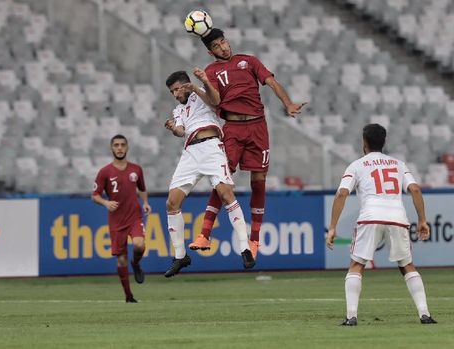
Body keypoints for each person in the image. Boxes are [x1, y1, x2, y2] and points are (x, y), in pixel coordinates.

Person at [188, 28, 306, 260]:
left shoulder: (248, 61)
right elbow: (215, 102)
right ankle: (204, 234)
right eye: (217, 46)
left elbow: (272, 82)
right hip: (232, 129)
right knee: (222, 180)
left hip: (257, 128)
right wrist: (199, 85)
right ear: (211, 53)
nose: (223, 47)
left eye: (224, 42)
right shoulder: (211, 71)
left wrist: (288, 103)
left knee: (259, 181)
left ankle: (254, 240)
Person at [326, 124, 437, 326]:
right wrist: (422, 220)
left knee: (357, 265)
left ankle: (351, 316)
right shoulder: (398, 164)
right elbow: (415, 190)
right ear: (384, 142)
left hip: (370, 217)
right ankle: (424, 314)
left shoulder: (357, 165)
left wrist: (332, 226)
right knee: (406, 266)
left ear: (364, 144)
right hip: (397, 218)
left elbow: (342, 193)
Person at [163, 70, 255, 277]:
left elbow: (216, 100)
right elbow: (180, 131)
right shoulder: (178, 110)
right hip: (190, 153)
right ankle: (180, 256)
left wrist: (197, 85)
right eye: (172, 92)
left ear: (185, 85)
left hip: (212, 147)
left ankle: (245, 247)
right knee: (171, 203)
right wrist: (172, 128)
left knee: (225, 194)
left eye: (177, 89)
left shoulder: (202, 94)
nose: (175, 94)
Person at [92, 134, 151, 303]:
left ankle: (137, 264)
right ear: (112, 148)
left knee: (139, 245)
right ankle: (129, 296)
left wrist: (145, 202)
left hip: (134, 216)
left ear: (127, 147)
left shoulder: (136, 169)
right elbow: (94, 195)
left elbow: (142, 188)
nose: (119, 148)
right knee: (121, 258)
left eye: (122, 145)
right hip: (117, 220)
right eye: (116, 145)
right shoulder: (105, 172)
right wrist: (105, 202)